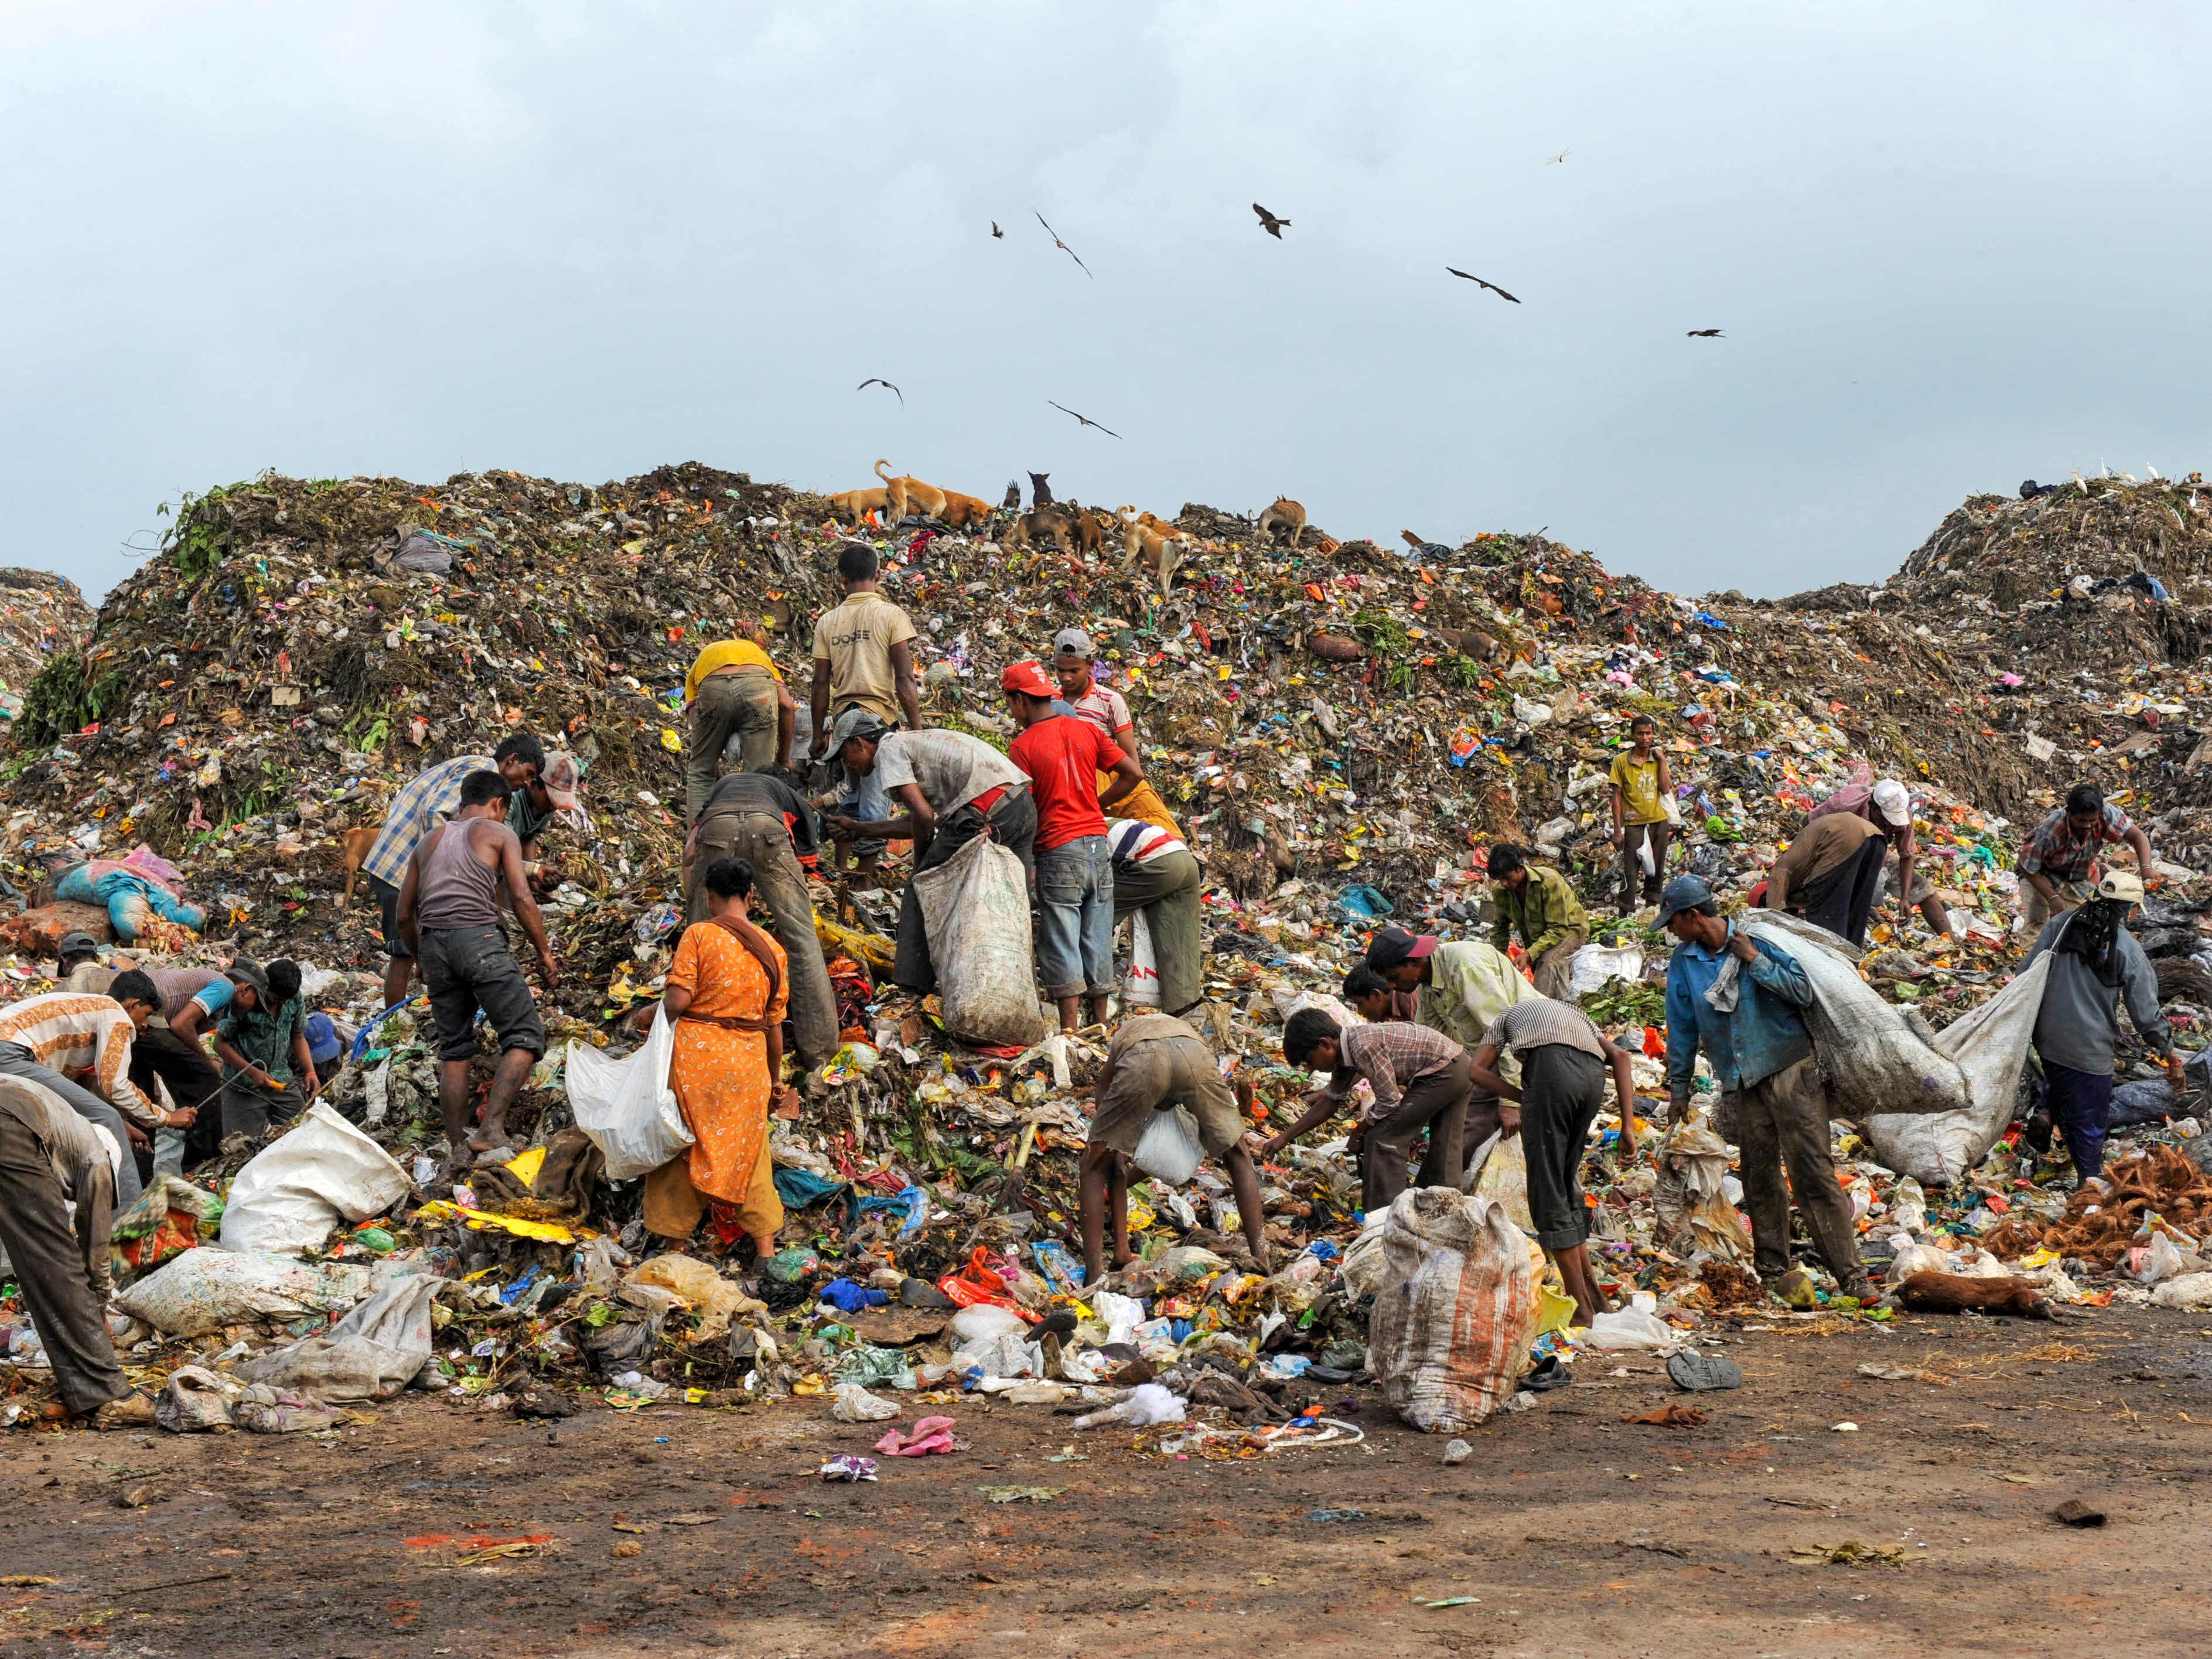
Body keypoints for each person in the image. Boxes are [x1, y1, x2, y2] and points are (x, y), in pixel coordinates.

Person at [1660, 876, 1873, 1301]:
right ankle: (1773, 1269)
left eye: (1673, 923)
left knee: (1812, 1171)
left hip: (1790, 1067)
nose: (1671, 931)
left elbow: (1803, 991)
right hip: (1740, 1080)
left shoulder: (1759, 937)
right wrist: (1679, 1089)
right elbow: (1681, 1027)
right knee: (1760, 1177)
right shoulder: (1685, 962)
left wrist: (1755, 960)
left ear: (1694, 916)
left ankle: (1853, 1276)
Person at [395, 769, 558, 1167]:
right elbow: (520, 896)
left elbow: (404, 915)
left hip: (434, 945)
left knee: (454, 1050)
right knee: (525, 1036)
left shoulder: (427, 843)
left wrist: (419, 960)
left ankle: (455, 1148)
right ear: (499, 804)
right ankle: (490, 1129)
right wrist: (545, 953)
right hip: (479, 940)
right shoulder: (500, 833)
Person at [826, 709, 1037, 996]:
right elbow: (914, 822)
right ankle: (1022, 989)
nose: (848, 765)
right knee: (1014, 901)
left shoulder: (889, 749)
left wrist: (921, 870)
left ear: (858, 744)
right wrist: (859, 829)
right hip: (1021, 806)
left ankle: (910, 989)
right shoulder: (914, 743)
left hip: (985, 811)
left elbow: (924, 818)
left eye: (844, 757)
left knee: (920, 890)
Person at [644, 858, 791, 1259]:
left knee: (685, 1146)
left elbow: (677, 1001)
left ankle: (676, 1247)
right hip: (749, 1064)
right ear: (750, 895)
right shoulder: (774, 949)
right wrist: (773, 1079)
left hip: (698, 1061)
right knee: (751, 1152)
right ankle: (766, 1253)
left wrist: (649, 1022)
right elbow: (774, 1026)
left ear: (710, 897)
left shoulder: (699, 935)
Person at [1467, 998, 1639, 1327]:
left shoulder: (1506, 1016)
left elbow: (1476, 1071)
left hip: (1551, 1072)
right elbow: (1619, 1056)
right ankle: (1598, 1302)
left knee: (1547, 1193)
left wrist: (1522, 1098)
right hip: (1593, 1079)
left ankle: (1582, 1310)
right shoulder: (1574, 1013)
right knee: (1564, 1185)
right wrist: (1628, 1127)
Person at [0, 1073, 151, 1428]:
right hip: (9, 1119)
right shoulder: (97, 1162)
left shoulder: (72, 1130)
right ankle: (105, 1393)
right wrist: (99, 1309)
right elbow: (93, 1249)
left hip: (12, 1108)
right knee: (53, 1258)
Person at [360, 734, 552, 1011]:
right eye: (528, 773)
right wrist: (444, 864)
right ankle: (392, 1024)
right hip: (399, 866)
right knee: (403, 954)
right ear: (512, 760)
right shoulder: (481, 768)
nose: (526, 783)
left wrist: (532, 868)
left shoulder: (478, 779)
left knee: (417, 949)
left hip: (401, 861)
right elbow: (434, 811)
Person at [1005, 661, 1146, 1030]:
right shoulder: (1087, 730)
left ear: (1019, 700)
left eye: (1010, 704)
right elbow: (1134, 773)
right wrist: (1097, 805)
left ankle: (1070, 1030)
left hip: (1057, 850)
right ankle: (1099, 1026)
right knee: (1097, 934)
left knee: (1061, 937)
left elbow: (1024, 808)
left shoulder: (1022, 746)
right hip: (1098, 847)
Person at [1080, 1012, 1268, 1281]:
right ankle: (1261, 1261)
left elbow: (1103, 1092)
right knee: (1237, 1153)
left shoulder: (1124, 1037)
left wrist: (1111, 1152)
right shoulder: (1176, 1027)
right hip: (1194, 1056)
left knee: (1093, 1167)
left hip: (1142, 1059)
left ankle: (1094, 1275)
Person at [2021, 869, 2180, 1185]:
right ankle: (2089, 1187)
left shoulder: (2060, 923)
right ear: (2130, 910)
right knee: (2090, 1122)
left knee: (2061, 1076)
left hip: (2045, 1037)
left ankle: (2048, 1112)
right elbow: (2145, 1015)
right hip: (2088, 1048)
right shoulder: (2126, 948)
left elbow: (2025, 971)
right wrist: (2171, 1054)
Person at [685, 768, 838, 1064]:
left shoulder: (723, 786)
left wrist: (694, 899)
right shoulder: (791, 798)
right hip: (768, 829)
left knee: (700, 939)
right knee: (802, 941)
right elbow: (806, 860)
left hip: (716, 828)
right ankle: (821, 1056)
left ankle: (699, 1042)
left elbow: (691, 848)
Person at [0, 975, 178, 1211]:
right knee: (107, 1117)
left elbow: (76, 1096)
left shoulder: (91, 1010)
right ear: (133, 1005)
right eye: (145, 1015)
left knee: (105, 1118)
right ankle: (129, 1214)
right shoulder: (115, 1014)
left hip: (12, 1051)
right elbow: (115, 1086)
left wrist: (121, 1124)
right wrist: (166, 1118)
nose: (145, 1024)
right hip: (9, 1052)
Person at [1265, 1010, 1472, 1213]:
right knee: (1446, 1143)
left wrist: (1360, 1130)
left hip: (1444, 1071)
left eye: (1311, 1061)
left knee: (1382, 1138)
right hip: (1460, 1065)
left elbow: (1389, 1101)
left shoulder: (1362, 1046)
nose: (1314, 1069)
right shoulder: (1346, 1055)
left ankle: (1384, 1218)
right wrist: (1284, 1138)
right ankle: (1442, 1210)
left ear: (1325, 1044)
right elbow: (1329, 1103)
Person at [1364, 926, 1540, 1162]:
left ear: (1414, 963)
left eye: (1394, 978)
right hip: (1489, 1057)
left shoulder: (1464, 967)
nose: (1393, 987)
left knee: (1537, 1131)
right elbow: (1426, 1036)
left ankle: (1572, 1198)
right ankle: (1459, 1186)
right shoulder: (1428, 984)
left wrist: (1509, 1103)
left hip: (1530, 1049)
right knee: (1470, 1124)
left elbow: (1505, 1032)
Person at [810, 542, 923, 885]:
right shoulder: (890, 615)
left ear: (842, 579)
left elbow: (820, 682)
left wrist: (819, 735)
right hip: (875, 722)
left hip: (845, 723)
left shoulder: (828, 622)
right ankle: (864, 878)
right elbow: (904, 677)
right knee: (874, 799)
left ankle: (843, 871)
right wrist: (916, 730)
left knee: (853, 793)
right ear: (877, 575)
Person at [1051, 628, 1182, 835]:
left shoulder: (1109, 701)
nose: (1066, 678)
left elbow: (1131, 763)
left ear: (1090, 666)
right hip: (1062, 781)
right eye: (1060, 670)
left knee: (1164, 830)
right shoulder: (1049, 701)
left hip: (1105, 779)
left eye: (1074, 671)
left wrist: (1099, 803)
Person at [1808, 778, 1953, 942]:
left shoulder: (1902, 814)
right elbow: (1811, 825)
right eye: (1885, 818)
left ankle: (1952, 944)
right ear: (1872, 806)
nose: (1888, 824)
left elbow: (1906, 856)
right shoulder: (1846, 802)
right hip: (1839, 852)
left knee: (1923, 888)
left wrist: (1904, 898)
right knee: (1847, 897)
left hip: (1878, 855)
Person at [682, 619, 794, 820]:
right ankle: (757, 839)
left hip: (711, 685)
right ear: (759, 644)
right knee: (760, 776)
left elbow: (700, 735)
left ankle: (696, 843)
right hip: (756, 687)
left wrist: (715, 774)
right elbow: (786, 705)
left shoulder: (707, 654)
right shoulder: (759, 656)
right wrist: (783, 759)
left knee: (700, 772)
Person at [132, 965, 235, 1172]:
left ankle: (140, 1179)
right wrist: (208, 1060)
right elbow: (180, 1025)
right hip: (145, 1018)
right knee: (205, 1078)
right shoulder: (226, 987)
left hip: (137, 1019)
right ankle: (202, 1167)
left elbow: (176, 1065)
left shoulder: (202, 981)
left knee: (140, 1098)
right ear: (245, 989)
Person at [2019, 782, 2158, 932]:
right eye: (2082, 821)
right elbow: (2026, 866)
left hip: (2077, 876)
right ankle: (2031, 954)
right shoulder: (2050, 830)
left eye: (2092, 821)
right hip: (2042, 874)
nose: (2087, 826)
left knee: (2083, 922)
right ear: (2069, 814)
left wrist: (2146, 868)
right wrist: (2052, 897)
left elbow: (2137, 836)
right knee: (2036, 924)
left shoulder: (2106, 814)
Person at [1107, 816, 1204, 1015]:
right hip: (1185, 859)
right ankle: (1184, 1010)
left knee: (1098, 915)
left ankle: (1093, 996)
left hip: (1159, 863)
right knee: (1178, 937)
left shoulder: (1076, 830)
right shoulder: (1103, 821)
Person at [210, 960, 316, 1141]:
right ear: (264, 987)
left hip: (281, 1080)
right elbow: (219, 1044)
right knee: (240, 1147)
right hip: (244, 1086)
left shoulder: (295, 999)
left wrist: (310, 1071)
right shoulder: (245, 1002)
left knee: (302, 1132)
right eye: (276, 999)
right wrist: (252, 1072)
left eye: (286, 1000)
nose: (282, 1004)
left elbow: (298, 1037)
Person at [1763, 807, 1887, 946]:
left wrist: (1774, 922)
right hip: (1877, 840)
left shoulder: (1780, 878)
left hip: (1846, 836)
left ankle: (1828, 957)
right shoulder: (1798, 880)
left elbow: (1779, 874)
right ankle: (1850, 961)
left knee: (1827, 915)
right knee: (1856, 912)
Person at [1487, 845, 1590, 1001]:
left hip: (1571, 929)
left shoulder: (1548, 882)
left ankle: (1539, 1014)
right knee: (1543, 974)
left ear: (1521, 869)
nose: (1504, 884)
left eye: (1507, 878)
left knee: (1548, 962)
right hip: (1538, 936)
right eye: (1500, 879)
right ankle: (1559, 1009)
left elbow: (1558, 928)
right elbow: (1500, 927)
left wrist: (1529, 953)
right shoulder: (1501, 891)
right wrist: (1499, 958)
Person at [1609, 714, 1674, 913]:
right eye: (1640, 734)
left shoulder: (1658, 760)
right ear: (1633, 735)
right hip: (1634, 823)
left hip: (1658, 820)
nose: (1645, 738)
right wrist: (1617, 831)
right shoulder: (1621, 761)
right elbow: (1617, 797)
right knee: (1631, 870)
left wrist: (1662, 761)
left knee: (1656, 868)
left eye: (1648, 733)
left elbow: (1665, 789)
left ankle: (1651, 909)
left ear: (1654, 735)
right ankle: (1624, 910)